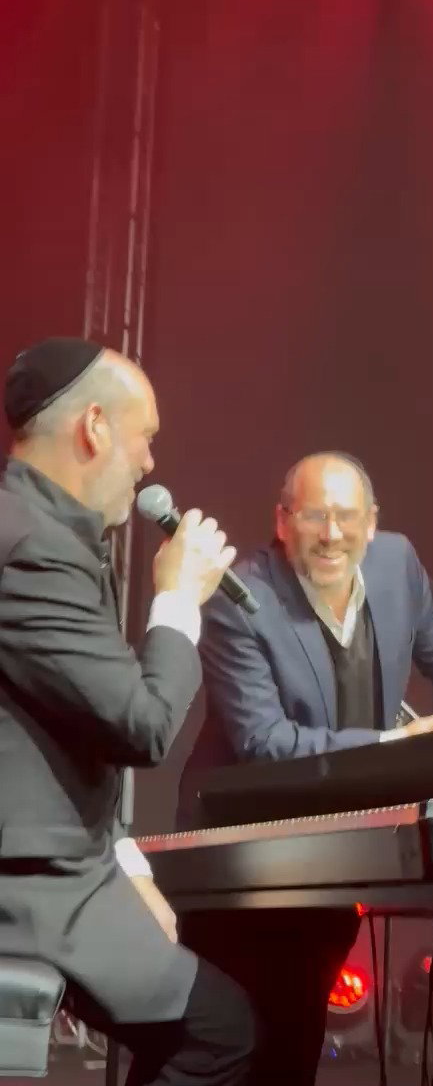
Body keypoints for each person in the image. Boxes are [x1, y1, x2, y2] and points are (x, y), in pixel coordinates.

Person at [180, 450, 433, 1085]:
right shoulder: (240, 598)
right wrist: (392, 745)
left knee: (296, 1038)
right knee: (224, 1046)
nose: (332, 533)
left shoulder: (397, 565)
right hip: (241, 859)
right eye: (314, 515)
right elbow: (264, 742)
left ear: (372, 523)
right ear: (282, 521)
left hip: (335, 854)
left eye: (347, 516)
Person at [0, 338, 255, 1086]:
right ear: (94, 427)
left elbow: (71, 737)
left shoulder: (47, 532)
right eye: (144, 437)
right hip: (31, 883)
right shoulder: (33, 549)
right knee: (221, 1032)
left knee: (218, 1018)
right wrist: (178, 600)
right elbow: (142, 726)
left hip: (69, 866)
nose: (148, 463)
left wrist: (127, 861)